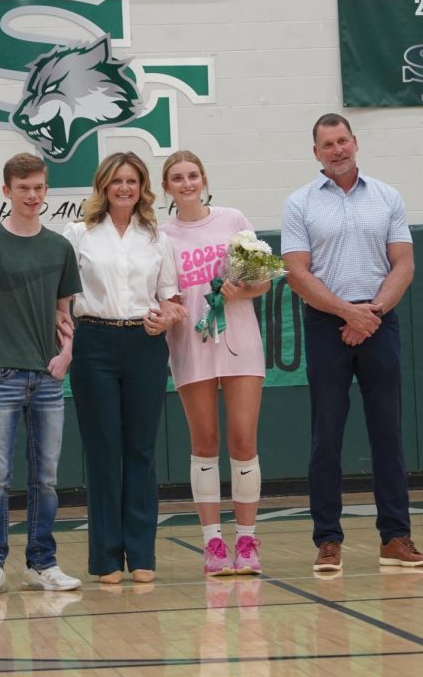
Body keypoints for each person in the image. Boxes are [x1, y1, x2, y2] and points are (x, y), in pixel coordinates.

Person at [280, 113, 423, 572]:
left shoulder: (388, 197)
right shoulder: (299, 203)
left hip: (378, 321)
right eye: (328, 144)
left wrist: (373, 314)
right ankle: (328, 540)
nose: (337, 150)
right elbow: (297, 273)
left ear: (355, 142)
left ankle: (396, 538)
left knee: (388, 433)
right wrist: (347, 313)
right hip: (328, 326)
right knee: (326, 436)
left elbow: (402, 264)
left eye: (343, 140)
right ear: (316, 153)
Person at [0, 152, 84, 598]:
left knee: (45, 477)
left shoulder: (59, 247)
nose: (33, 196)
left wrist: (67, 354)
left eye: (39, 188)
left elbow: (65, 312)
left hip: (48, 377)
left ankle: (41, 563)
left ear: (47, 190)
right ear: (7, 191)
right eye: (24, 188)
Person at [64, 151, 186, 585]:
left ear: (142, 188)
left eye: (132, 181)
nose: (124, 188)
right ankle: (105, 559)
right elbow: (63, 300)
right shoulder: (78, 233)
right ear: (103, 186)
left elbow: (172, 299)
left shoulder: (157, 237)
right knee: (103, 453)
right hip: (93, 342)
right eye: (117, 181)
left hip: (144, 343)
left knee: (141, 451)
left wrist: (166, 317)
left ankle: (142, 554)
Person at [160, 151, 271, 576]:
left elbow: (261, 282)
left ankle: (246, 540)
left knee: (244, 441)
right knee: (204, 442)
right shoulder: (162, 235)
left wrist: (238, 292)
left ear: (204, 179)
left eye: (192, 175)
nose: (186, 183)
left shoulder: (233, 220)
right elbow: (166, 295)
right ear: (167, 187)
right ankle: (212, 545)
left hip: (240, 343)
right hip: (190, 344)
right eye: (177, 178)